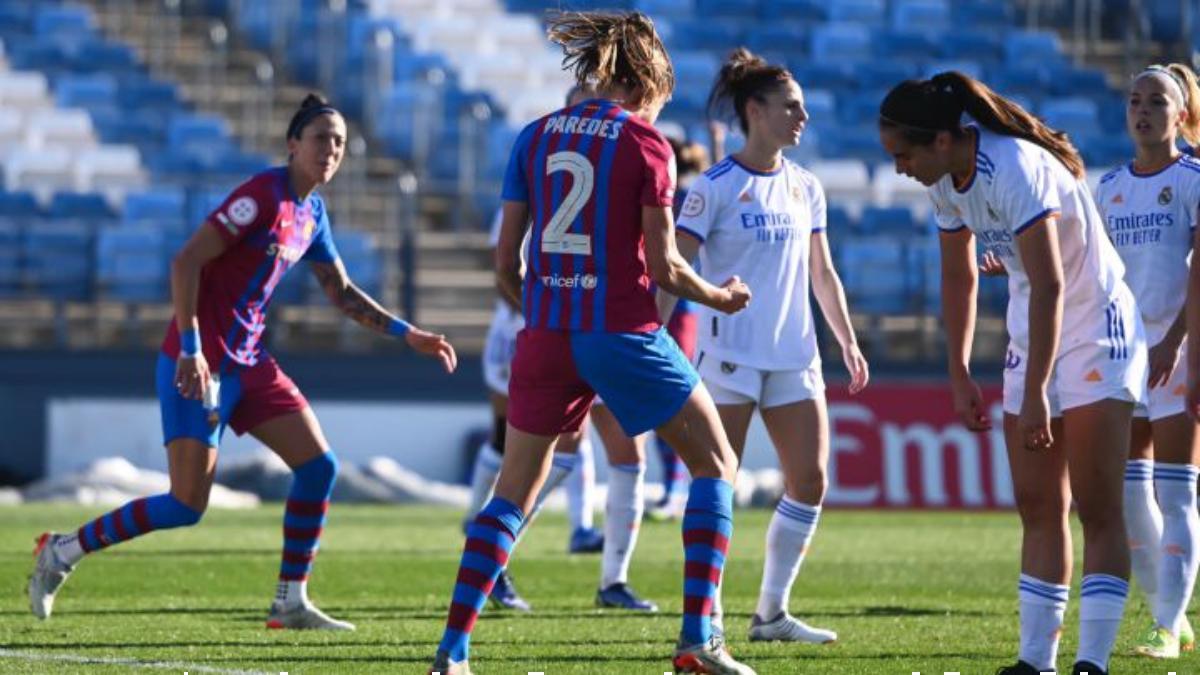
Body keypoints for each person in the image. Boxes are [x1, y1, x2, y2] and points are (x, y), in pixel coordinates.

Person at [27, 94, 457, 630]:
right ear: (293, 145)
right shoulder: (261, 197)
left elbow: (341, 292)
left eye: (340, 142)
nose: (331, 149)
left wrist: (406, 332)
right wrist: (190, 348)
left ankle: (290, 601)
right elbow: (186, 262)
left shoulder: (313, 213)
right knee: (185, 505)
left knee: (319, 467)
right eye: (321, 138)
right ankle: (62, 550)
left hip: (251, 365)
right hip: (198, 365)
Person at [430, 11, 755, 675]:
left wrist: (548, 310)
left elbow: (504, 263)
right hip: (622, 329)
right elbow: (665, 269)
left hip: (546, 334)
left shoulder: (535, 135)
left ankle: (453, 652)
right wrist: (720, 296)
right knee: (716, 463)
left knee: (511, 492)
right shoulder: (647, 143)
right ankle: (698, 639)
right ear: (650, 80)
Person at [878, 72, 1147, 675]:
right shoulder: (946, 182)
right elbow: (959, 275)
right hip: (1036, 324)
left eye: (904, 155)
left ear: (943, 141)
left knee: (1097, 505)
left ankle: (1092, 663)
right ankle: (1035, 662)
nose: (900, 169)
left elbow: (1053, 283)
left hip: (1096, 326)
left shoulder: (1017, 167)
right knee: (1036, 503)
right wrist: (958, 371)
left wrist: (1035, 397)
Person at [670, 48, 868, 645]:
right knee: (716, 483)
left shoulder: (807, 186)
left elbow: (822, 272)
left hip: (794, 357)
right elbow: (672, 265)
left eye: (803, 106)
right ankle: (706, 618)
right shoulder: (714, 188)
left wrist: (848, 342)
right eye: (791, 106)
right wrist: (653, 339)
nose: (802, 116)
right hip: (728, 360)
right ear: (755, 110)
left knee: (809, 480)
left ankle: (770, 615)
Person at [1097, 63, 1200, 660]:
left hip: (1181, 353)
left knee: (1177, 492)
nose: (1143, 111)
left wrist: (1178, 342)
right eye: (1135, 100)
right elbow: (1094, 272)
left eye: (1157, 102)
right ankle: (1172, 615)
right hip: (1125, 357)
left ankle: (1164, 625)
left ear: (1179, 115)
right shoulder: (1108, 187)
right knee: (1130, 494)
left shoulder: (1192, 180)